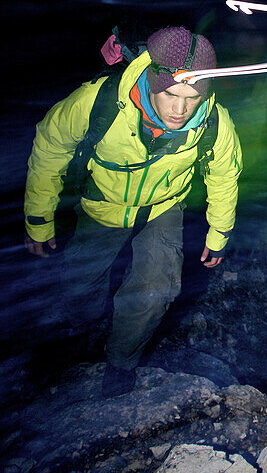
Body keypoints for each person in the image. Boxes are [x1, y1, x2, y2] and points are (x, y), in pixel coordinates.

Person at [24, 26, 242, 396]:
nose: (180, 109)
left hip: (162, 208)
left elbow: (225, 176)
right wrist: (38, 219)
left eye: (192, 98)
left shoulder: (215, 123)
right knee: (81, 286)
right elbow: (50, 147)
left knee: (158, 289)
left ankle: (121, 361)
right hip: (101, 206)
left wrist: (218, 235)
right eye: (171, 94)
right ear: (153, 83)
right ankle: (82, 334)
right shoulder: (100, 102)